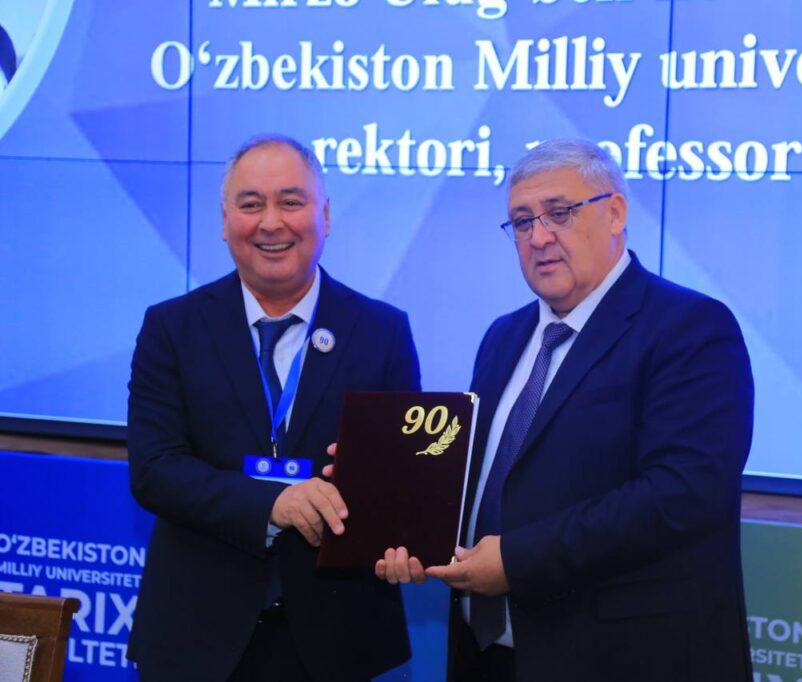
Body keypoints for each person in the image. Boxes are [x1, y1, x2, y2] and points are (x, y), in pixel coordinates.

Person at [375, 138, 755, 681]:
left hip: (620, 661)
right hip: (487, 656)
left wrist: (516, 561)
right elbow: (477, 480)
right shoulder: (503, 336)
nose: (539, 237)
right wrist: (390, 502)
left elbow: (681, 494)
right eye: (522, 221)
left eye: (559, 213)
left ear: (615, 213)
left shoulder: (689, 328)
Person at [127, 135, 420, 682]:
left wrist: (399, 524)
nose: (270, 223)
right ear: (224, 221)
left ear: (325, 215)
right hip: (196, 639)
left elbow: (401, 481)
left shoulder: (382, 331)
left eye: (290, 201)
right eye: (250, 204)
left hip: (339, 638)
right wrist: (273, 503)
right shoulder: (172, 328)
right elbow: (155, 470)